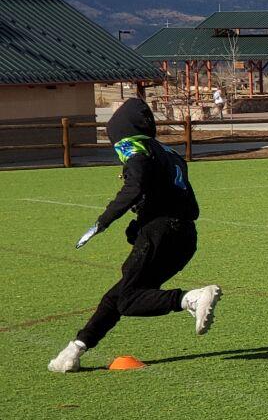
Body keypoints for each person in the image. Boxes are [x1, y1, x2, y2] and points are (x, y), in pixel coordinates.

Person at [48, 97, 221, 373]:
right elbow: (178, 199)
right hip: (185, 236)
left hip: (163, 234)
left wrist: (103, 221)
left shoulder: (136, 147)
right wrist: (141, 224)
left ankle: (189, 298)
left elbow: (136, 184)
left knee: (127, 299)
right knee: (117, 296)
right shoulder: (169, 153)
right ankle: (74, 350)